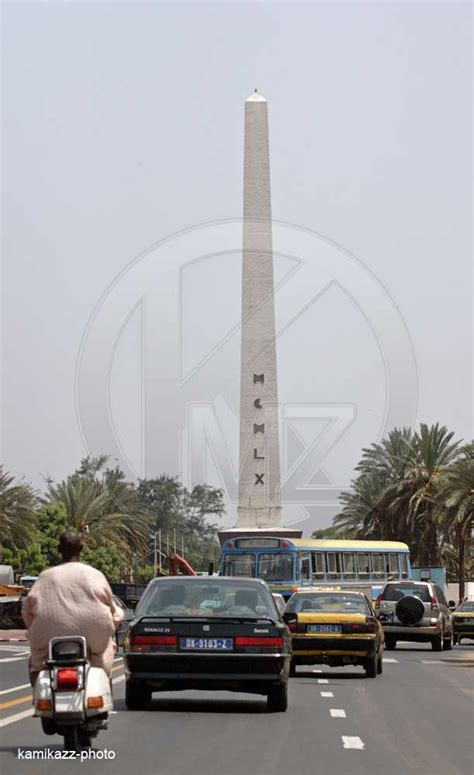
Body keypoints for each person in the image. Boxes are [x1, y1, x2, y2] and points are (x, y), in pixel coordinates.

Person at [22, 532, 124, 687]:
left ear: (59, 549)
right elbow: (111, 608)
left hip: (48, 638)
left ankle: (38, 695)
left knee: (37, 660)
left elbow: (27, 611)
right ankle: (103, 684)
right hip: (93, 637)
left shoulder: (45, 577)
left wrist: (35, 629)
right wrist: (113, 622)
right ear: (81, 549)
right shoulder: (94, 575)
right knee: (105, 650)